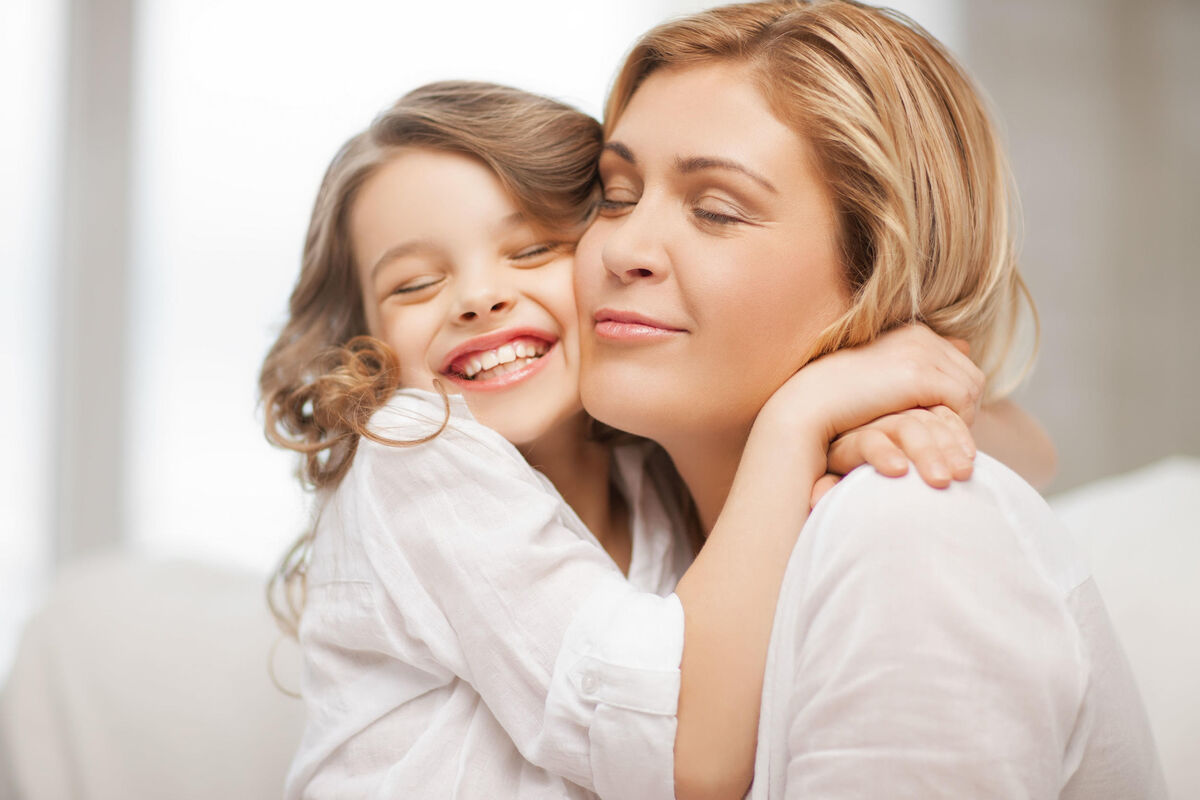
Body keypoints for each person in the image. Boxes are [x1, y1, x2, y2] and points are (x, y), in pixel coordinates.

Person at [259, 79, 1052, 798]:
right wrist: (802, 419)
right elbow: (680, 758)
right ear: (365, 345)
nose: (477, 298)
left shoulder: (646, 459)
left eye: (532, 250)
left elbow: (1029, 455)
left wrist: (864, 419)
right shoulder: (412, 447)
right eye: (414, 285)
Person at [574, 1, 1166, 797]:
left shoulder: (908, 529)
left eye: (715, 210)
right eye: (615, 195)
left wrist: (802, 416)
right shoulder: (629, 530)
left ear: (878, 268)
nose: (624, 248)